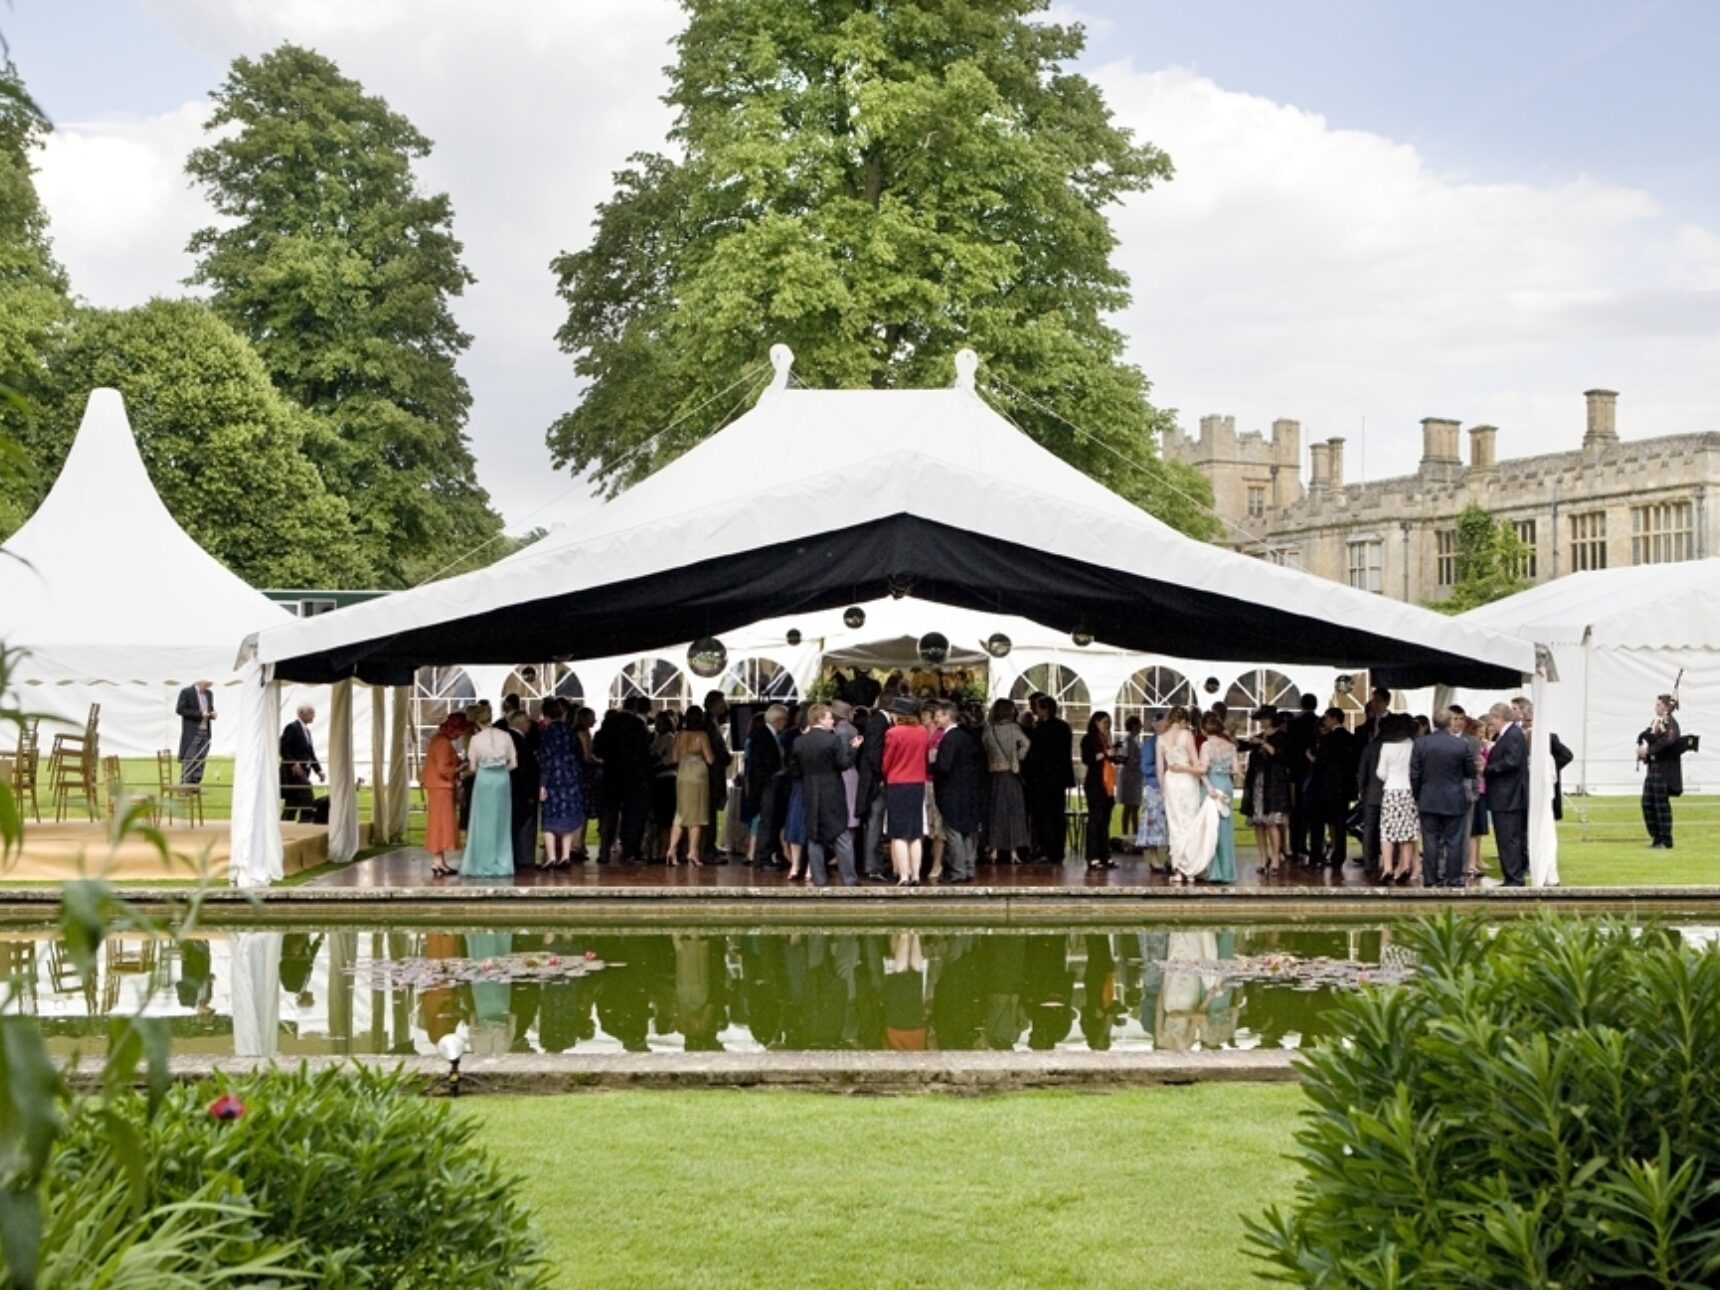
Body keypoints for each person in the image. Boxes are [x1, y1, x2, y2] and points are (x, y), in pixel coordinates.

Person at [793, 702, 862, 887]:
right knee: (841, 834)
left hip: (810, 791)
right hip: (832, 792)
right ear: (820, 718)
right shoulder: (832, 740)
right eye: (830, 717)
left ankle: (819, 879)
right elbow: (843, 764)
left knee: (814, 836)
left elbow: (793, 769)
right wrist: (853, 748)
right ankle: (849, 879)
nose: (833, 721)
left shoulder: (799, 742)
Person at [1411, 709, 1476, 888]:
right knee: (1454, 840)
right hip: (1453, 798)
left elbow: (1415, 774)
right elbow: (1470, 771)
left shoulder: (1421, 743)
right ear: (1449, 723)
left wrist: (1417, 795)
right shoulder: (1460, 745)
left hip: (1428, 797)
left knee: (1430, 840)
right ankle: (1454, 877)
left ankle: (1431, 877)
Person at [931, 702, 986, 884]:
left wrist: (931, 765)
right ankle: (969, 868)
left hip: (951, 791)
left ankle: (958, 871)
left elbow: (944, 767)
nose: (936, 718)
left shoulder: (950, 738)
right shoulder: (967, 737)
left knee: (953, 831)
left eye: (939, 715)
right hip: (969, 790)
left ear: (948, 716)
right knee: (968, 831)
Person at [460, 703, 517, 879]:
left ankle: (480, 862)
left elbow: (473, 767)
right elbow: (514, 764)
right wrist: (499, 771)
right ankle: (502, 862)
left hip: (484, 780)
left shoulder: (475, 740)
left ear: (477, 720)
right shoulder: (506, 736)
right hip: (502, 780)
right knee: (501, 822)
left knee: (482, 821)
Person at [882, 695, 930, 885]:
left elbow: (887, 762)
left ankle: (904, 876)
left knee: (899, 833)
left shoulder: (893, 733)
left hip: (897, 783)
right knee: (915, 832)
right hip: (918, 783)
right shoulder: (923, 732)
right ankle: (916, 875)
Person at [1024, 695, 1075, 863]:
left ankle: (1046, 849)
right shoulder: (1062, 727)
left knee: (1045, 815)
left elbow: (1037, 754)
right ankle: (1054, 849)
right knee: (1054, 815)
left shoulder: (1043, 729)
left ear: (1044, 709)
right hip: (1056, 779)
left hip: (1044, 779)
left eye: (1037, 707)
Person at [537, 699, 586, 868]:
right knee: (569, 815)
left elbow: (545, 759)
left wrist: (542, 783)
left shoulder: (546, 733)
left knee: (549, 816)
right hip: (571, 778)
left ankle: (551, 857)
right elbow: (579, 754)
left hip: (552, 779)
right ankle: (565, 856)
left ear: (545, 715)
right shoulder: (571, 731)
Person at [1484, 702, 1529, 886]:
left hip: (1508, 796)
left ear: (1498, 717)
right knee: (1508, 837)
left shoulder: (1512, 735)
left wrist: (1489, 769)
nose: (1490, 724)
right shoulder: (1510, 735)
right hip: (1506, 795)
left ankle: (1514, 877)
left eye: (1491, 719)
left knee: (1508, 837)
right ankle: (1511, 875)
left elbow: (1511, 761)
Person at [1159, 707, 1207, 883]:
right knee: (1189, 822)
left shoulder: (1161, 739)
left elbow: (1159, 769)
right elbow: (1196, 764)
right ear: (1184, 721)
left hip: (1171, 781)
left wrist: (1163, 790)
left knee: (1175, 825)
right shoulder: (1187, 735)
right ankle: (1190, 869)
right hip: (1186, 780)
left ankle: (1178, 868)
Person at [664, 706, 715, 866]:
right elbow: (710, 759)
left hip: (683, 774)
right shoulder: (702, 735)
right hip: (698, 775)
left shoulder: (679, 735)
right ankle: (693, 851)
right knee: (696, 816)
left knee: (680, 813)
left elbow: (674, 757)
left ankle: (671, 850)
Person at [982, 699, 1031, 864]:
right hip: (1011, 773)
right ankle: (1013, 851)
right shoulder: (1014, 728)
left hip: (995, 774)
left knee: (996, 811)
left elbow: (984, 747)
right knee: (1014, 812)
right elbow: (1026, 744)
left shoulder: (989, 730)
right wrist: (1018, 757)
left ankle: (994, 849)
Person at [1307, 708, 1358, 868]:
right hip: (1343, 788)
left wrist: (1311, 757)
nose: (1324, 721)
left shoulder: (1328, 739)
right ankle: (1339, 856)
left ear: (1335, 719)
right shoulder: (1350, 738)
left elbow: (1321, 763)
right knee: (1339, 824)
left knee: (1318, 822)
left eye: (1327, 718)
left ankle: (1316, 855)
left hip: (1325, 789)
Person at [1373, 714, 1419, 883]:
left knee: (1387, 831)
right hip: (1408, 791)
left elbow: (1381, 772)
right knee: (1407, 831)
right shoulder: (1413, 746)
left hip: (1391, 789)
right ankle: (1406, 866)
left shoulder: (1386, 746)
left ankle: (1387, 868)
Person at [422, 713, 469, 877]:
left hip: (437, 786)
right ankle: (437, 861)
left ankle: (439, 861)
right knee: (441, 823)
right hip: (441, 787)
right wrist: (460, 769)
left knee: (439, 823)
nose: (459, 736)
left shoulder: (439, 740)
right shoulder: (442, 743)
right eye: (459, 732)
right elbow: (444, 769)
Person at [1245, 711, 1292, 873]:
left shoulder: (1282, 736)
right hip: (1258, 783)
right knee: (1259, 822)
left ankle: (1275, 858)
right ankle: (1263, 857)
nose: (1262, 722)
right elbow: (1244, 747)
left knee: (1272, 821)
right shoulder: (1259, 736)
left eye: (1264, 718)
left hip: (1274, 784)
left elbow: (1278, 754)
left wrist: (1263, 743)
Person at [855, 695, 895, 881]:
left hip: (871, 779)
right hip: (875, 782)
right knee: (875, 823)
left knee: (874, 823)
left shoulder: (876, 721)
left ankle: (874, 864)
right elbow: (874, 753)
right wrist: (881, 776)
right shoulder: (880, 723)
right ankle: (873, 866)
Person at [1637, 693, 1684, 849]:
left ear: (1665, 706)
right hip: (1653, 767)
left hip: (1664, 769)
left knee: (1660, 804)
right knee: (1647, 802)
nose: (1655, 707)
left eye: (1658, 705)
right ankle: (1656, 838)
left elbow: (1669, 740)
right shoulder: (1656, 723)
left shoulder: (1670, 723)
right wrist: (1642, 749)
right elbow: (1650, 737)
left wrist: (1649, 750)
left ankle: (1666, 839)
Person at [1195, 713, 1238, 884]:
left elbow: (1203, 770)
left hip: (1213, 784)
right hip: (1226, 784)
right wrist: (1223, 769)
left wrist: (1209, 787)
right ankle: (1227, 871)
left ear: (1204, 729)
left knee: (1211, 828)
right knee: (1226, 827)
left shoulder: (1206, 746)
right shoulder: (1230, 746)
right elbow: (1235, 770)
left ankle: (1214, 870)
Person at [1079, 711, 1122, 872]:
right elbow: (1088, 759)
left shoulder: (1106, 740)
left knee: (1105, 821)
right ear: (1096, 722)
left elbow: (1108, 759)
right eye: (1105, 722)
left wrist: (1115, 756)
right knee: (1095, 820)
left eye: (1109, 723)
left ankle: (1105, 854)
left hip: (1107, 784)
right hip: (1095, 783)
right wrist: (1105, 754)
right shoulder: (1089, 739)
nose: (1107, 726)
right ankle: (1093, 856)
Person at [1283, 694, 1320, 861]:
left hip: (1297, 771)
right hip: (1314, 770)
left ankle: (1296, 845)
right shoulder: (1318, 723)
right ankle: (1313, 846)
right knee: (1313, 811)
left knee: (1296, 810)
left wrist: (1290, 767)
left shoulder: (1294, 724)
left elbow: (1289, 749)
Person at [505, 708, 541, 871]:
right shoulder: (519, 741)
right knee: (524, 823)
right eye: (527, 721)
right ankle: (524, 857)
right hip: (521, 791)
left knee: (516, 823)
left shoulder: (510, 738)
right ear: (520, 723)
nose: (530, 724)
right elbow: (523, 769)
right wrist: (529, 792)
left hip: (513, 790)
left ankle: (520, 856)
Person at [1134, 712, 1170, 869]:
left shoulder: (1172, 741)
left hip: (1171, 788)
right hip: (1154, 788)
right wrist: (1164, 769)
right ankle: (1154, 858)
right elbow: (1145, 767)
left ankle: (1171, 855)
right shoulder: (1150, 743)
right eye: (1162, 724)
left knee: (1170, 824)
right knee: (1154, 823)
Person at [702, 690, 732, 862]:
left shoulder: (713, 722)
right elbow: (715, 747)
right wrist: (724, 757)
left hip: (715, 772)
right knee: (710, 810)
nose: (725, 705)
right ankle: (707, 848)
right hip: (711, 773)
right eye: (722, 702)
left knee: (712, 810)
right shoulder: (709, 723)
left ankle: (710, 846)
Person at [279, 705, 322, 824]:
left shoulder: (307, 731)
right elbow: (283, 747)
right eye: (312, 713)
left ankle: (287, 823)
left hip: (303, 771)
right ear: (302, 714)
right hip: (293, 771)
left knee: (294, 799)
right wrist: (293, 763)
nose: (314, 716)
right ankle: (305, 821)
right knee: (307, 795)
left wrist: (319, 770)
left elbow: (310, 753)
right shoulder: (291, 728)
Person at [649, 709, 680, 860]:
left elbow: (669, 760)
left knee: (666, 819)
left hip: (667, 780)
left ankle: (665, 850)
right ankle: (661, 849)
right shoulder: (658, 738)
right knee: (661, 819)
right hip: (660, 780)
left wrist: (656, 764)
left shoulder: (668, 738)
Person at [175, 680, 216, 785]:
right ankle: (185, 787)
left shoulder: (209, 693)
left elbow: (209, 709)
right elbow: (180, 710)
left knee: (201, 760)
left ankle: (195, 786)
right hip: (192, 732)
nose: (208, 686)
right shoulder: (186, 692)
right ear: (199, 682)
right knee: (189, 759)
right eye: (207, 684)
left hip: (205, 732)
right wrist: (199, 714)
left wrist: (212, 714)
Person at [1117, 715, 1145, 844]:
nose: (1141, 727)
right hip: (1129, 778)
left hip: (1136, 778)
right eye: (1139, 724)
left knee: (1135, 807)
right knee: (1128, 807)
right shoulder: (1128, 741)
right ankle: (1125, 834)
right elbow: (1127, 759)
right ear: (1133, 726)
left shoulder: (1137, 741)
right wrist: (1139, 762)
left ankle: (1135, 834)